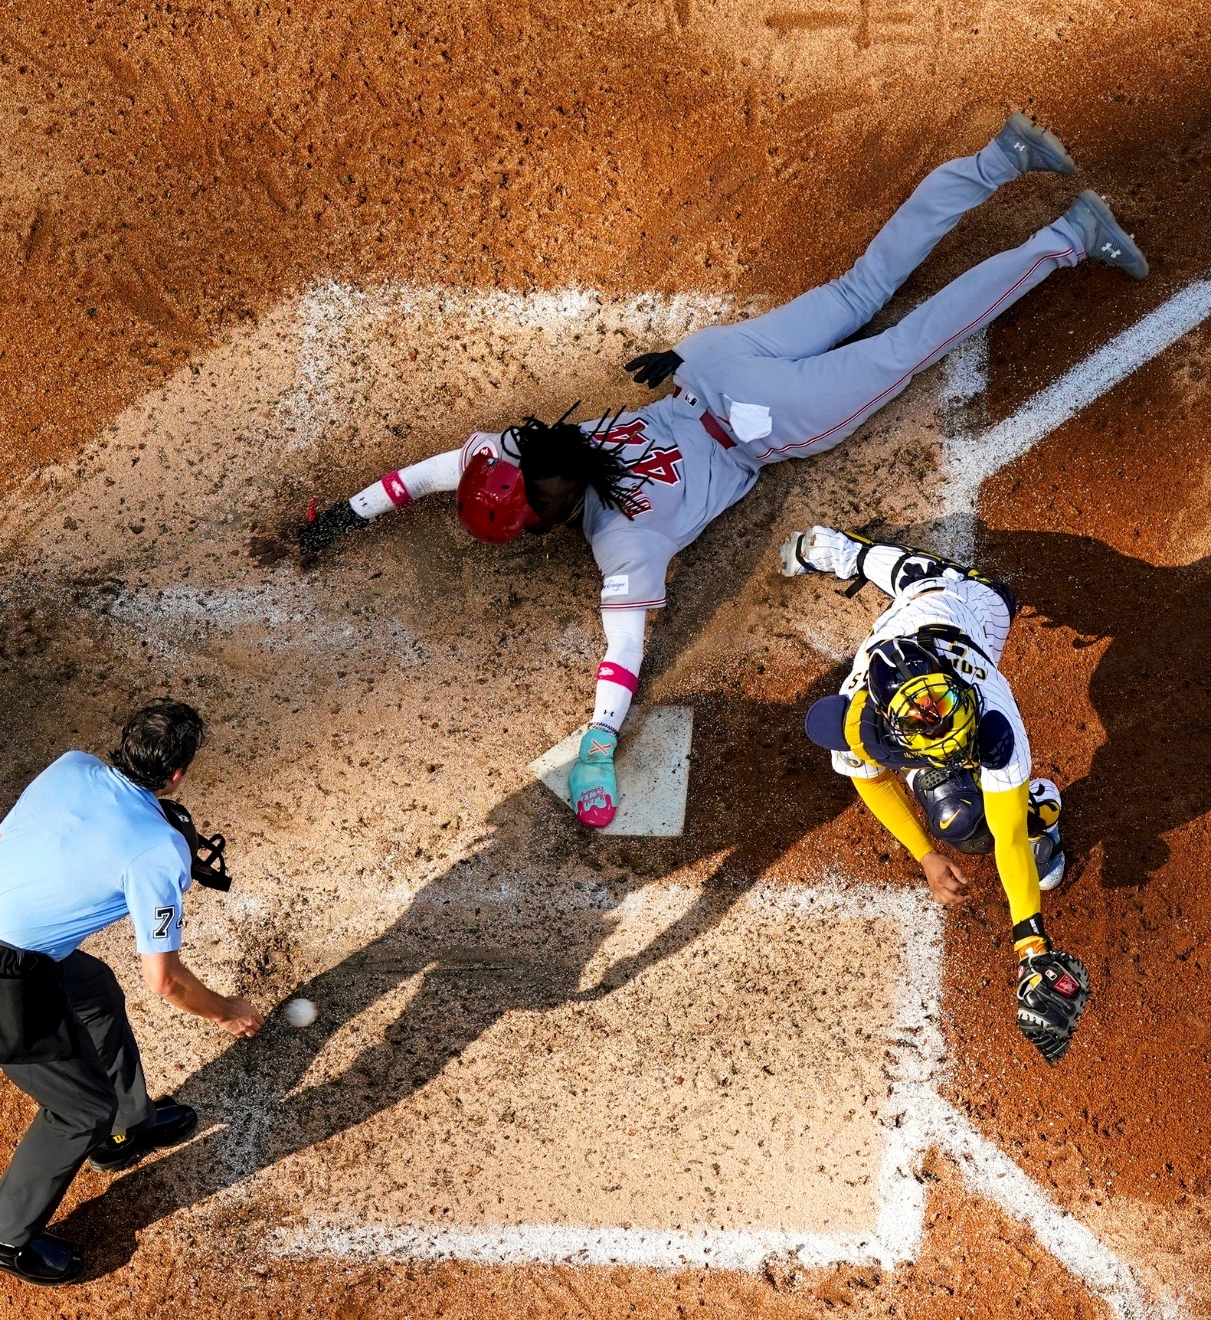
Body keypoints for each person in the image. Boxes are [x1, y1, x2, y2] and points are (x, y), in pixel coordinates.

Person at [295, 110, 1149, 830]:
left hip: (770, 422)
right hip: (715, 362)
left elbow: (620, 659)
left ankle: (1070, 236)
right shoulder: (535, 449)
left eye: (525, 525)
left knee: (910, 344)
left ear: (541, 513)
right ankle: (1002, 154)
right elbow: (429, 474)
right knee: (862, 285)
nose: (530, 532)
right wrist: (338, 517)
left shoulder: (625, 543)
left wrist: (599, 751)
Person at [0, 698, 263, 1285]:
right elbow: (168, 981)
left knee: (95, 987)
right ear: (177, 773)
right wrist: (228, 1012)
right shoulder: (158, 851)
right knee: (78, 1109)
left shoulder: (72, 765)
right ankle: (0, 1239)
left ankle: (126, 1129)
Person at [783, 526, 1091, 1065]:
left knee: (984, 822)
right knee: (903, 577)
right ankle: (837, 549)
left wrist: (1031, 944)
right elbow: (871, 777)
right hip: (911, 621)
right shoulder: (858, 715)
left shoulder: (992, 717)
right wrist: (924, 855)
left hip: (973, 608)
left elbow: (1010, 841)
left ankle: (1043, 804)